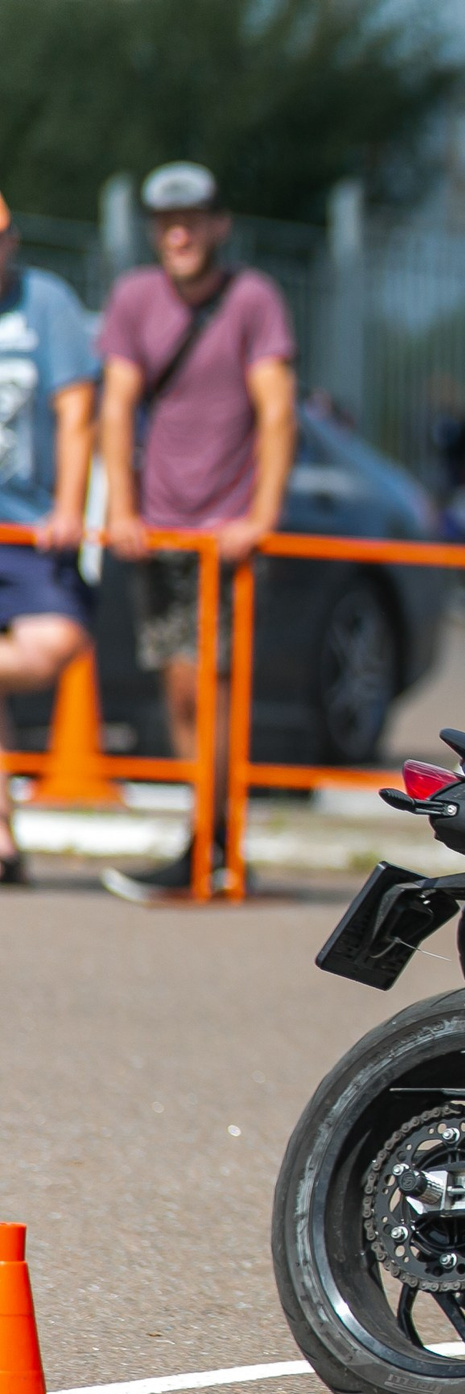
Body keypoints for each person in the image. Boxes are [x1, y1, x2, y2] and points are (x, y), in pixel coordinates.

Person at [94, 162, 297, 900]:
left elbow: (277, 408)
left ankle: (210, 841)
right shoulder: (134, 297)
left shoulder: (252, 299)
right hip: (163, 530)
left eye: (192, 218)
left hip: (227, 531)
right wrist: (121, 505)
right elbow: (114, 406)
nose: (178, 232)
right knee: (179, 689)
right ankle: (207, 836)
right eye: (165, 221)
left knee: (210, 684)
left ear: (219, 224)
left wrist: (261, 514)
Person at [0, 189, 101, 885]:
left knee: (55, 643)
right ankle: (1, 835)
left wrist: (69, 504)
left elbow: (77, 412)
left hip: (27, 520)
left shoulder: (47, 302)